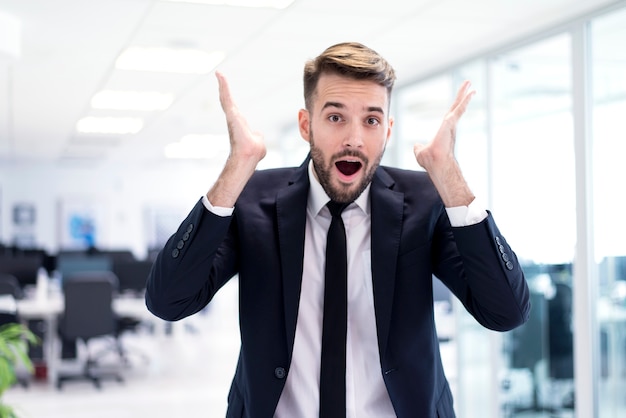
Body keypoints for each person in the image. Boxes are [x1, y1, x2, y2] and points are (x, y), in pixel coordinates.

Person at [145, 42, 530, 418]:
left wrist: (451, 179)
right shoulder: (251, 200)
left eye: (371, 120)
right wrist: (234, 171)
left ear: (388, 131)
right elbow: (169, 301)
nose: (354, 138)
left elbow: (505, 312)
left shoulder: (426, 200)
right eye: (335, 117)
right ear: (305, 124)